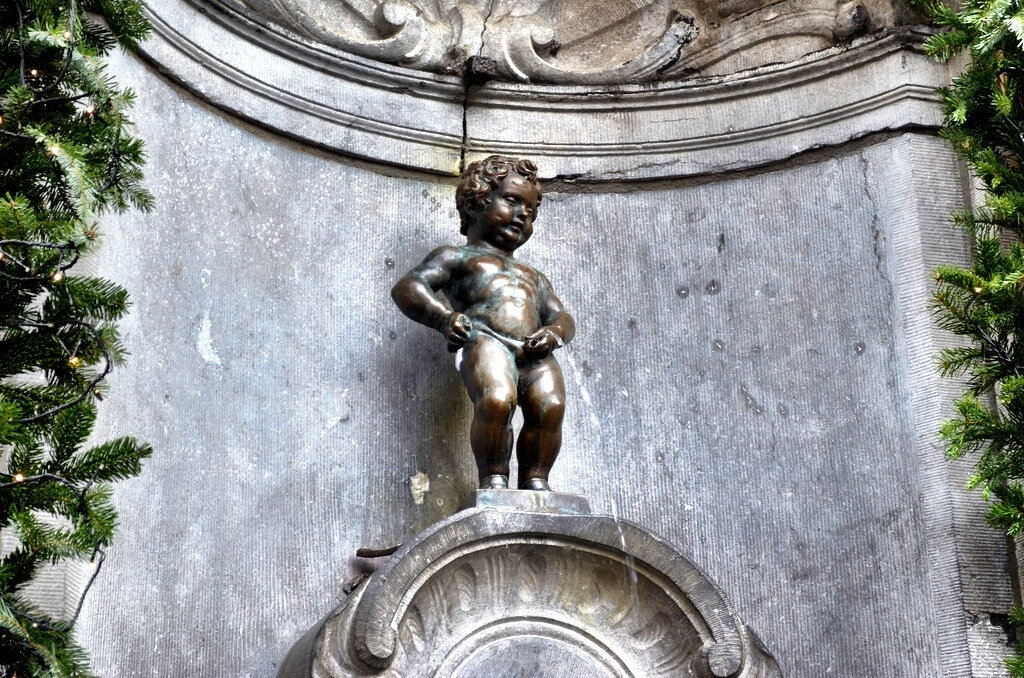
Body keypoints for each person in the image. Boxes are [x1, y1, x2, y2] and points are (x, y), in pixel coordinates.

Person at [391, 155, 576, 491]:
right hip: (486, 340)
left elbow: (562, 316)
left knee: (551, 406)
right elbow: (409, 286)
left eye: (530, 211)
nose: (522, 214)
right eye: (512, 201)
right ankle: (494, 478)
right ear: (476, 202)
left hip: (535, 351)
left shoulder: (534, 276)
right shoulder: (456, 257)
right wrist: (443, 318)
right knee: (497, 400)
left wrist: (554, 333)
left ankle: (536, 481)